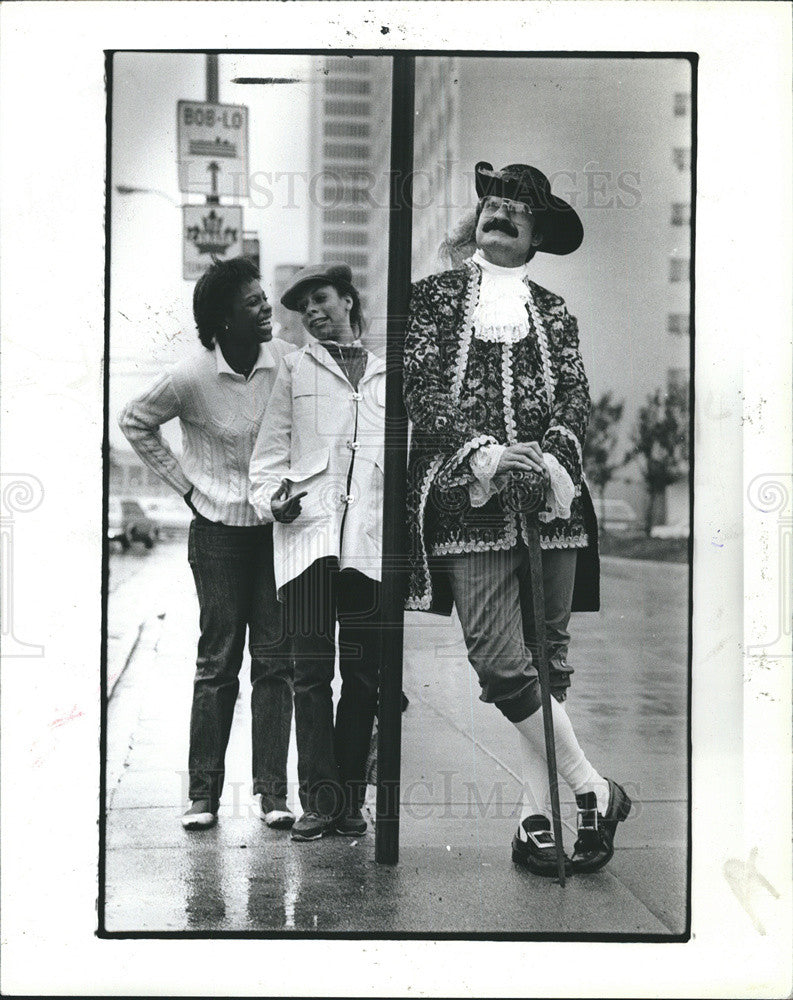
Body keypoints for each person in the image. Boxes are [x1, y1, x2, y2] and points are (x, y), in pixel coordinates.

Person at [403, 162, 631, 876]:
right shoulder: (433, 300)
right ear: (476, 222)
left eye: (515, 210)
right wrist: (488, 455)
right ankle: (594, 789)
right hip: (465, 502)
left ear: (535, 235)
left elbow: (574, 397)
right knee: (503, 665)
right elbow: (421, 392)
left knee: (547, 664)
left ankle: (536, 819)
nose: (498, 214)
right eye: (490, 205)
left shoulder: (555, 310)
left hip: (553, 503)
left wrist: (548, 457)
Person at [118, 256, 296, 831]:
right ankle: (203, 796)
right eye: (252, 302)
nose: (267, 306)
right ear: (222, 320)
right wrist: (186, 491)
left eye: (264, 297)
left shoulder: (288, 365)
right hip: (216, 536)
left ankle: (273, 796)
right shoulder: (191, 375)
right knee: (218, 662)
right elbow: (136, 420)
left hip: (277, 533)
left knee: (273, 662)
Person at [249, 263, 386, 842]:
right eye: (303, 306)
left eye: (322, 299)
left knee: (361, 676)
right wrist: (271, 500)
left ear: (349, 302)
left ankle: (351, 800)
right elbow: (266, 461)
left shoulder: (385, 375)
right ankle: (320, 802)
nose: (313, 312)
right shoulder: (294, 371)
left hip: (368, 546)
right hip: (309, 543)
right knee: (310, 673)